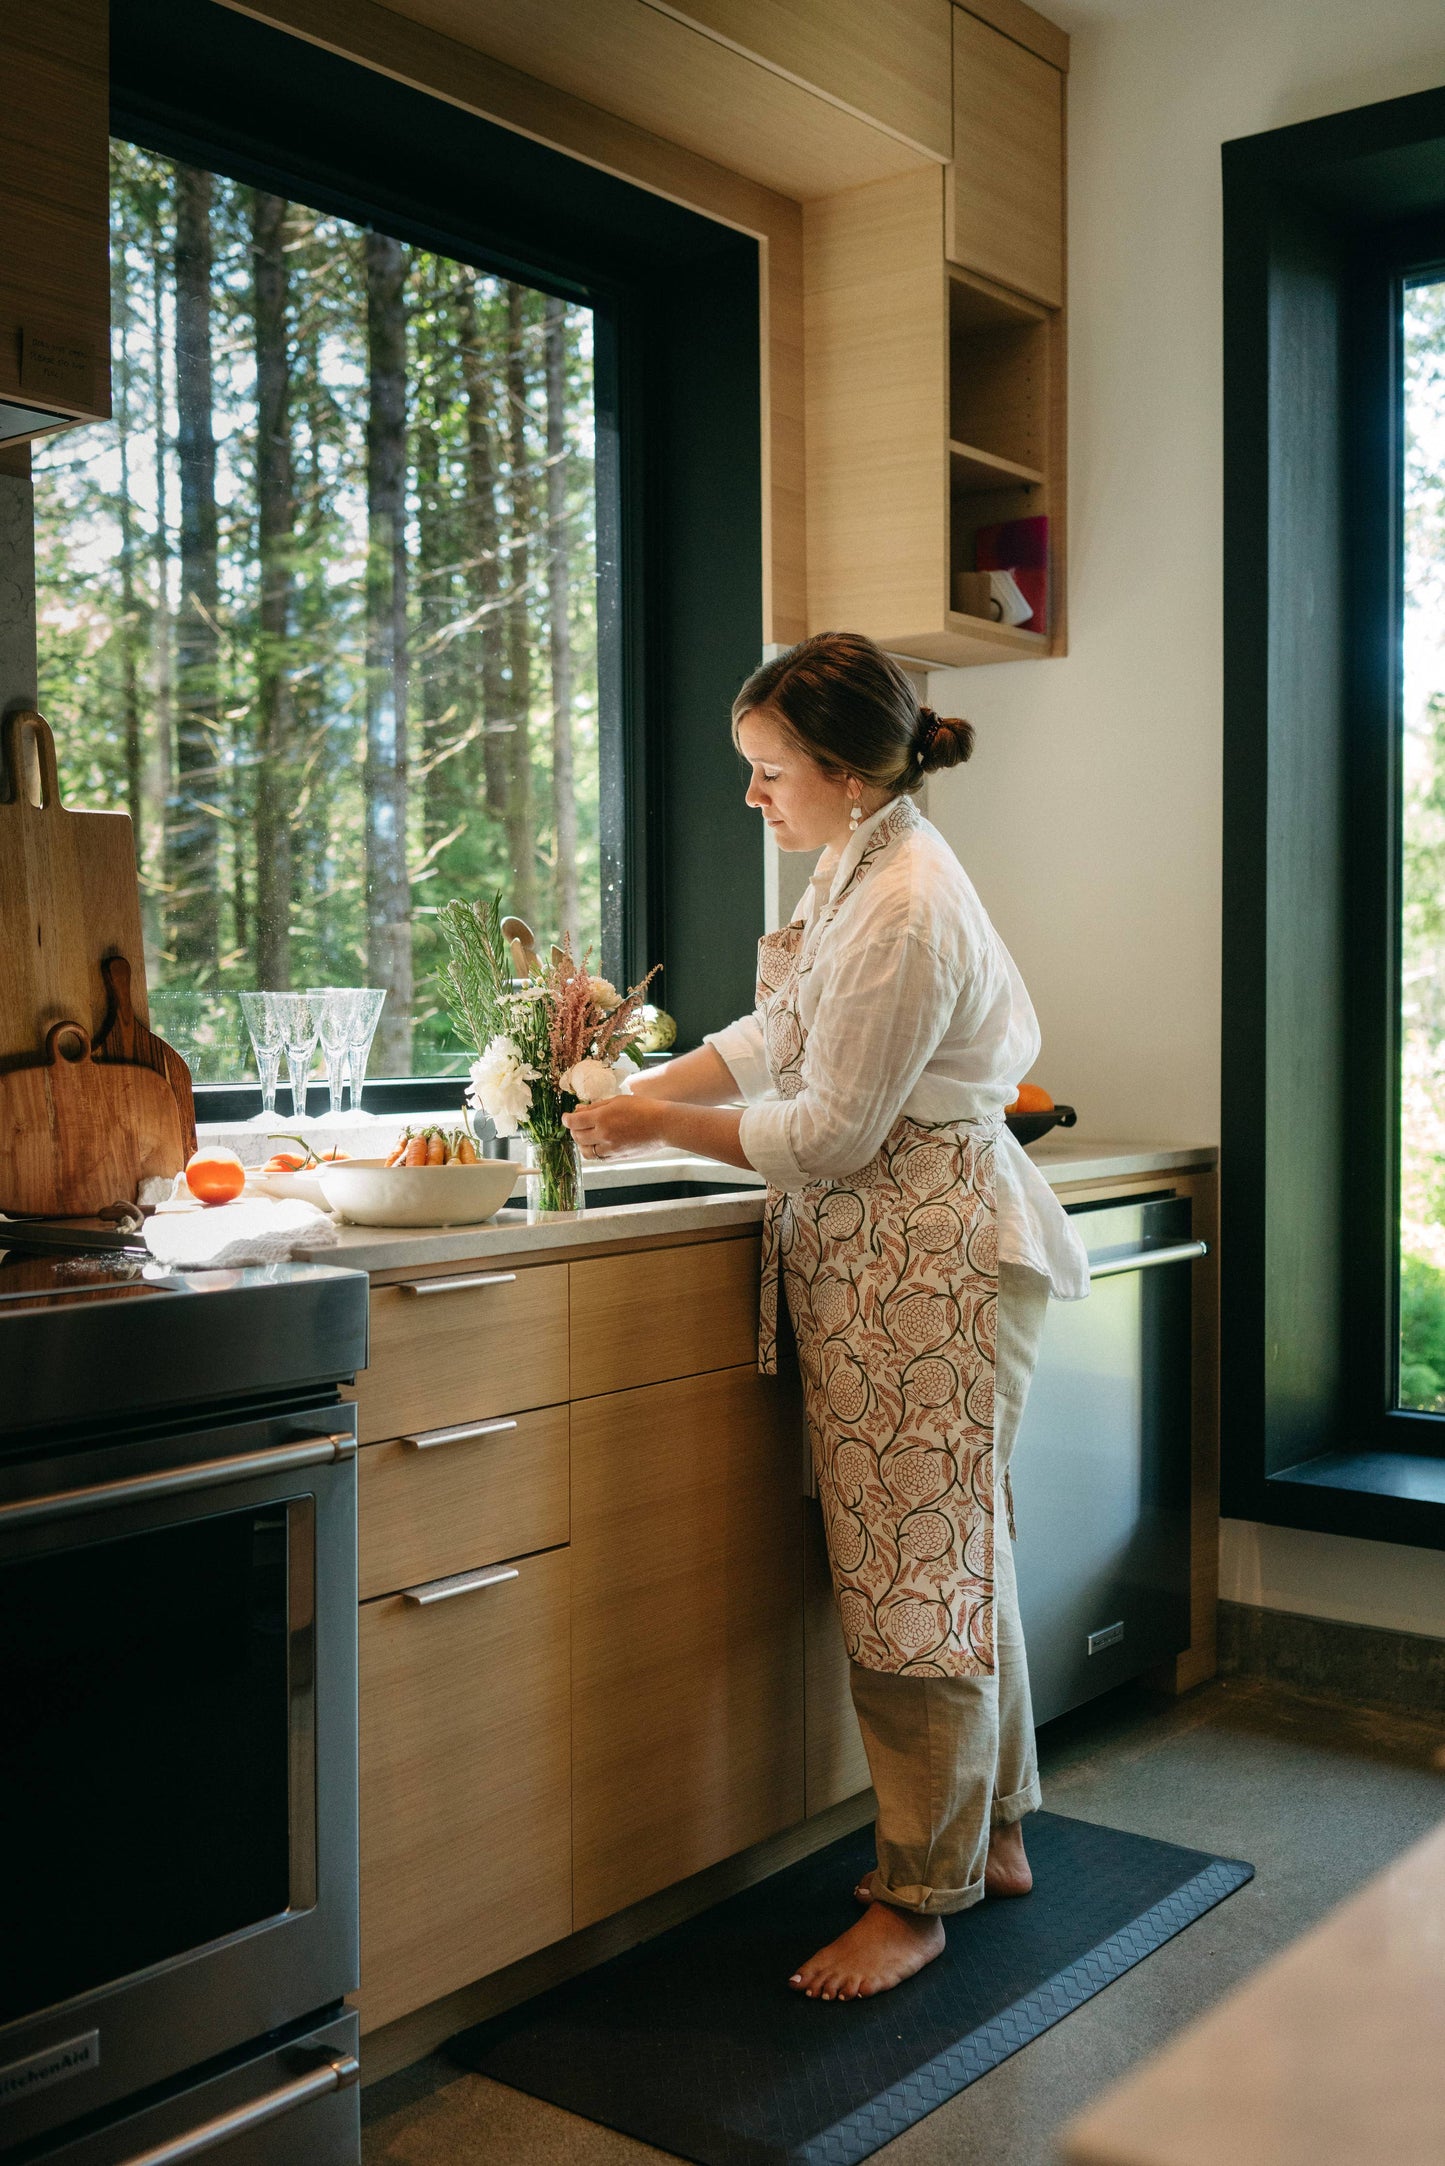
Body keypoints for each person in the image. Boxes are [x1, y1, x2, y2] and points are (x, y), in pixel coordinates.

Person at [563, 631, 1090, 2002]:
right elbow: (777, 1033)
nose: (750, 795)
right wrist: (642, 1094)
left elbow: (832, 1129)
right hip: (896, 1259)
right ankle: (994, 1834)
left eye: (767, 770)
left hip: (929, 1262)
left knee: (914, 1576)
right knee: (954, 1552)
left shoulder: (905, 900)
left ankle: (917, 1899)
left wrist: (653, 1126)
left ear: (848, 773)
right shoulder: (860, 860)